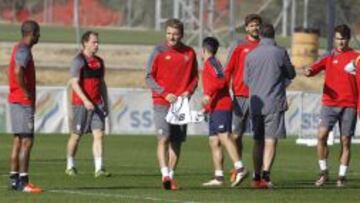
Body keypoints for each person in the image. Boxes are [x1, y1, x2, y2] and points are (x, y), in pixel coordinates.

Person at [145, 18, 198, 190]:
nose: (171, 37)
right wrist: (164, 93)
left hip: (181, 105)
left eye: (175, 34)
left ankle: (171, 178)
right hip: (161, 101)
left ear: (181, 35)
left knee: (176, 142)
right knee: (164, 137)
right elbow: (149, 76)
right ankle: (164, 174)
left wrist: (188, 92)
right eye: (168, 33)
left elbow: (195, 78)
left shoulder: (190, 53)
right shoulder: (158, 51)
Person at [304, 24, 358, 187]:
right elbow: (314, 68)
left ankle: (342, 177)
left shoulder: (356, 58)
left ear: (348, 39)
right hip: (329, 103)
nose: (340, 42)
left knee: (345, 141)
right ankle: (324, 172)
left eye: (343, 39)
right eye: (337, 39)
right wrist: (308, 70)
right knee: (321, 136)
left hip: (350, 104)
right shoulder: (329, 56)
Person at [244, 24, 296, 188]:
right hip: (274, 102)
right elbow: (291, 73)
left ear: (260, 35)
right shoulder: (280, 52)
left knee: (258, 140)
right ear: (274, 36)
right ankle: (266, 175)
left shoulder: (251, 55)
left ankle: (256, 176)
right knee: (271, 140)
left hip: (256, 103)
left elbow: (246, 80)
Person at [200, 37, 248, 187]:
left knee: (224, 135)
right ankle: (219, 177)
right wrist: (206, 108)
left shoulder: (212, 62)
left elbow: (222, 80)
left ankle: (240, 168)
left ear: (203, 50)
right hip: (214, 107)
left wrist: (208, 95)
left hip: (222, 106)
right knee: (214, 141)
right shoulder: (209, 63)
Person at [65, 31, 111, 178]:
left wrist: (105, 102)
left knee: (99, 135)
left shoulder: (100, 62)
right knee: (76, 136)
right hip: (80, 104)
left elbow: (102, 84)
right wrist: (85, 100)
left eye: (97, 42)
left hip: (97, 104)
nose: (97, 45)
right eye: (94, 42)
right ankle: (70, 164)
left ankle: (99, 168)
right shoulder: (78, 60)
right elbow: (74, 83)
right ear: (85, 43)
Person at [224, 14, 262, 180]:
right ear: (246, 28)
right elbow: (228, 70)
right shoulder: (239, 45)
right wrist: (224, 92)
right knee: (236, 135)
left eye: (257, 25)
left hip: (260, 97)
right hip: (240, 96)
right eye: (252, 25)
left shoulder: (264, 46)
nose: (255, 28)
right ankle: (238, 167)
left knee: (259, 137)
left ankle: (258, 175)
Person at [8, 20, 43, 193]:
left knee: (18, 141)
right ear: (32, 33)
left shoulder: (18, 47)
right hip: (22, 101)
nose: (39, 36)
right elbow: (17, 71)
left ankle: (14, 180)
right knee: (27, 141)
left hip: (15, 100)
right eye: (38, 33)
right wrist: (26, 91)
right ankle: (24, 181)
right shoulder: (24, 50)